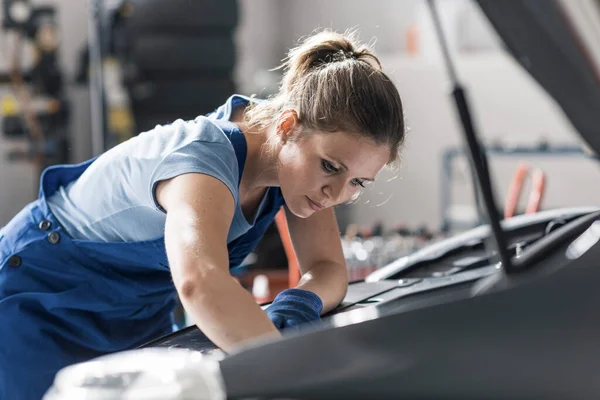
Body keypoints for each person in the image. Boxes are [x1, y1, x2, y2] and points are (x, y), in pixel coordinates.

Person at [0, 29, 405, 399]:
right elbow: (199, 283)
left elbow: (327, 266)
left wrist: (302, 300)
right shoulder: (204, 162)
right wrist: (290, 373)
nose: (336, 194)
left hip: (135, 315)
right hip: (39, 297)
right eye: (332, 167)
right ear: (286, 126)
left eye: (358, 182)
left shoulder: (295, 163)